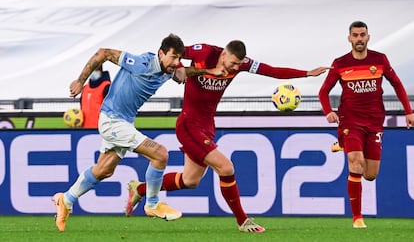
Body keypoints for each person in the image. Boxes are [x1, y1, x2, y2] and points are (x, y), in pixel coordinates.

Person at [125, 40, 330, 233]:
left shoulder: (241, 64)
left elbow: (272, 71)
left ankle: (140, 188)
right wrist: (179, 69)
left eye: (238, 65)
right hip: (189, 124)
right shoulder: (203, 52)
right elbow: (173, 54)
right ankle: (243, 220)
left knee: (190, 180)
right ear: (223, 54)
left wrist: (306, 73)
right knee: (226, 167)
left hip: (206, 127)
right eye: (232, 63)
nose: (234, 68)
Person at [52, 33, 225, 232]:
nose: (176, 62)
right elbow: (104, 53)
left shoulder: (169, 69)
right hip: (112, 121)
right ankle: (151, 204)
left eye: (179, 58)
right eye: (173, 57)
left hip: (123, 122)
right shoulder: (141, 62)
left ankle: (65, 199)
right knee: (160, 154)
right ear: (161, 53)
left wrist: (210, 71)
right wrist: (80, 81)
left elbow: (184, 71)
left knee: (104, 170)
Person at [318, 21, 414, 228]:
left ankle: (344, 144)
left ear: (368, 37)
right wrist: (328, 112)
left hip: (374, 121)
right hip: (350, 121)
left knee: (370, 174)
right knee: (356, 161)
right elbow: (323, 91)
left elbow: (396, 83)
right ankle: (357, 218)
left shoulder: (379, 60)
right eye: (355, 35)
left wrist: (409, 111)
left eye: (362, 35)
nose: (359, 39)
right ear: (349, 38)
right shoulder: (340, 63)